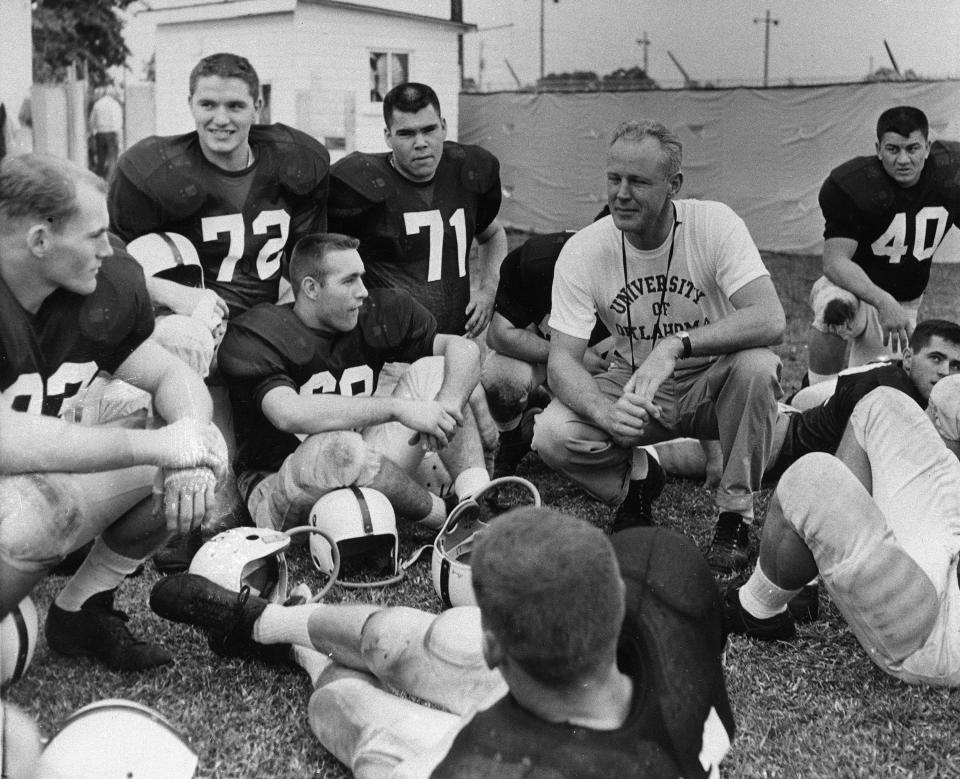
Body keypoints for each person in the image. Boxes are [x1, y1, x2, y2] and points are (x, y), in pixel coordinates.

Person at [151, 508, 735, 777]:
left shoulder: (482, 764)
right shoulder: (675, 625)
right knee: (402, 640)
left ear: (496, 647)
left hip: (546, 755)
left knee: (373, 744)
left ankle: (296, 647)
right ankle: (265, 620)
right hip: (611, 731)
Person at [0, 153, 227, 670]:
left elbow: (173, 376)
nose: (109, 249)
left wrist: (188, 442)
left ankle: (81, 609)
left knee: (198, 459)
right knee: (36, 510)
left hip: (28, 481)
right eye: (94, 236)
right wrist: (160, 442)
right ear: (39, 241)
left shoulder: (103, 286)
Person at [532, 119, 785, 572]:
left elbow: (770, 317)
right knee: (551, 432)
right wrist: (605, 413)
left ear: (674, 185)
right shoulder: (584, 248)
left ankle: (735, 514)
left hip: (712, 379)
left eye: (638, 181)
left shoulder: (713, 224)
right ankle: (638, 482)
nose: (622, 193)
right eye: (614, 179)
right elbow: (561, 365)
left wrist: (675, 345)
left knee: (758, 367)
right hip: (635, 386)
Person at [216, 232, 491, 532]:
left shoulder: (375, 312)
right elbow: (288, 413)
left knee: (437, 369)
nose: (362, 291)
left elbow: (463, 348)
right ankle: (445, 517)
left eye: (361, 277)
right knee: (341, 449)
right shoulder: (257, 332)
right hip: (280, 481)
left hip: (365, 459)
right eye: (349, 281)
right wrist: (398, 409)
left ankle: (475, 501)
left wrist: (446, 405)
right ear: (311, 288)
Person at [724, 376, 960, 687]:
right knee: (883, 404)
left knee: (812, 479)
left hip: (941, 633)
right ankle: (825, 561)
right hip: (947, 554)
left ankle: (757, 607)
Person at [109, 52, 330, 372]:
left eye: (235, 106)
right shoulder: (152, 171)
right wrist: (174, 293)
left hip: (268, 328)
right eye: (208, 105)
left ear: (258, 106)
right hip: (190, 332)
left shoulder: (296, 159)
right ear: (191, 104)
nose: (221, 119)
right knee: (178, 338)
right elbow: (107, 264)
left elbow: (312, 261)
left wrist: (285, 318)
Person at [328, 82, 507, 339]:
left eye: (429, 129)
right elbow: (314, 257)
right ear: (388, 136)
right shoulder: (360, 183)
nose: (421, 143)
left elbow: (492, 234)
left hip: (456, 343)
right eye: (406, 133)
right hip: (388, 352)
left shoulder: (466, 170)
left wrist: (489, 289)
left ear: (443, 127)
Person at [804, 106, 960, 388]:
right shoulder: (855, 183)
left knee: (882, 390)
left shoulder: (951, 175)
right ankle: (815, 395)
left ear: (927, 147)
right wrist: (882, 300)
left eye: (913, 148)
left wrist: (892, 304)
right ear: (878, 149)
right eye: (893, 149)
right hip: (854, 289)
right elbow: (835, 262)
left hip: (905, 301)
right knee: (834, 309)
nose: (903, 159)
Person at [481, 231, 614, 478]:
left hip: (599, 374)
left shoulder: (626, 273)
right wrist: (570, 354)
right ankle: (512, 437)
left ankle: (544, 423)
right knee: (500, 376)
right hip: (547, 358)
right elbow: (498, 335)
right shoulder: (536, 262)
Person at [88, 85, 123, 181]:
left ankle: (99, 181)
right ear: (112, 94)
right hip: (111, 133)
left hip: (100, 134)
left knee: (101, 159)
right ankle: (110, 182)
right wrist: (119, 138)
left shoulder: (97, 104)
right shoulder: (115, 105)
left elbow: (92, 121)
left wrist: (92, 133)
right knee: (112, 160)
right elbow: (118, 122)